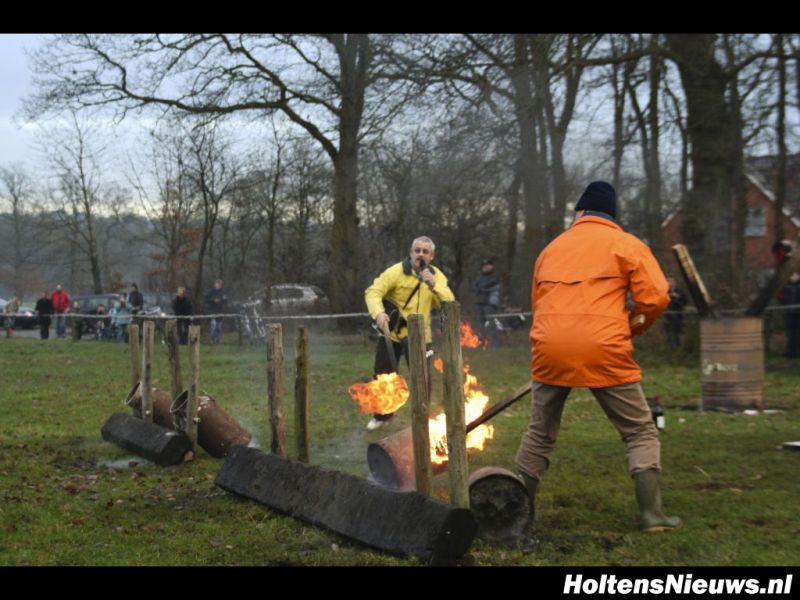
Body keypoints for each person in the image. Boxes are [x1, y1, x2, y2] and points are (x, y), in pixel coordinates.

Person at [515, 181, 681, 533]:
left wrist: (551, 337)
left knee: (540, 433)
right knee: (639, 431)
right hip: (603, 346)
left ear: (580, 212)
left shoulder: (551, 249)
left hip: (550, 347)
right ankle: (652, 516)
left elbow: (537, 302)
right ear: (613, 215)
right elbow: (657, 297)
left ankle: (517, 516)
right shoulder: (626, 244)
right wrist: (634, 325)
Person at [363, 236, 455, 430]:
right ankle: (382, 415)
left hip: (422, 337)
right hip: (392, 334)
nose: (420, 254)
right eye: (417, 250)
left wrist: (433, 285)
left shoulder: (436, 276)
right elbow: (373, 291)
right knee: (383, 376)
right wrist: (378, 313)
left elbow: (449, 303)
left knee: (422, 378)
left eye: (425, 251)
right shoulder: (396, 272)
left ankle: (421, 418)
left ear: (432, 256)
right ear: (410, 252)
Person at [472, 258, 501, 345]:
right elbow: (474, 288)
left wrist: (481, 289)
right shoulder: (479, 278)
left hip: (490, 304)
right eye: (484, 266)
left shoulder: (495, 276)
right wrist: (480, 289)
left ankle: (494, 343)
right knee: (480, 325)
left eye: (487, 265)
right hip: (480, 303)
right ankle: (482, 343)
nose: (485, 267)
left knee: (491, 324)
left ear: (492, 266)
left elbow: (491, 285)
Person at [662, 277, 687, 348]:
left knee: (677, 331)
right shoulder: (665, 292)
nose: (670, 284)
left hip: (678, 313)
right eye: (668, 282)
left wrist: (678, 297)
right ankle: (670, 346)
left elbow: (685, 301)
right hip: (667, 314)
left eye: (671, 282)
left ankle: (678, 345)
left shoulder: (680, 292)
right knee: (668, 331)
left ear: (675, 283)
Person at [205, 279, 227, 344]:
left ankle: (217, 339)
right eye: (217, 284)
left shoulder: (223, 292)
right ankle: (212, 339)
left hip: (220, 311)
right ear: (215, 285)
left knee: (219, 327)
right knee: (213, 325)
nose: (218, 285)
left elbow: (225, 302)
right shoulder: (211, 292)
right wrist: (213, 300)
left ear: (221, 285)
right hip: (212, 311)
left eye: (220, 284)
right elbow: (206, 300)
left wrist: (225, 299)